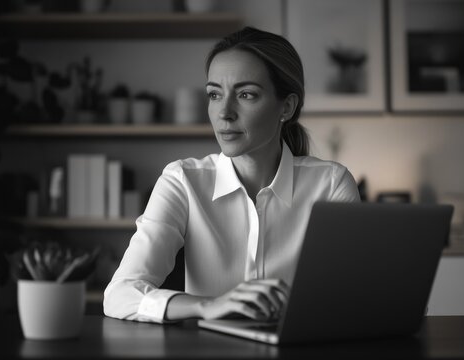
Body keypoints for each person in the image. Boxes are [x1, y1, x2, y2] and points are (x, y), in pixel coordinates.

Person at [103, 26, 360, 324]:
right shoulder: (182, 181)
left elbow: (350, 297)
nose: (224, 112)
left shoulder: (330, 185)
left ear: (287, 107)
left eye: (246, 94)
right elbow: (119, 294)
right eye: (214, 94)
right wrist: (207, 306)